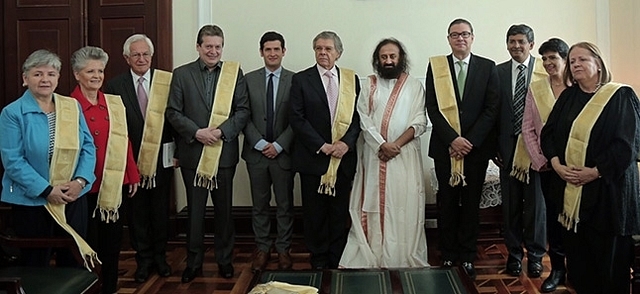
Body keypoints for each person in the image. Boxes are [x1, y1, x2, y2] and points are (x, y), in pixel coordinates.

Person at [541, 41, 640, 294]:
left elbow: (627, 146)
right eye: (572, 61)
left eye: (582, 59)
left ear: (598, 63)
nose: (575, 65)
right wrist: (556, 164)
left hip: (608, 196)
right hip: (573, 198)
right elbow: (549, 134)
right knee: (580, 268)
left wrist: (595, 172)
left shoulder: (620, 96)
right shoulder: (569, 97)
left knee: (608, 270)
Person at [166, 24, 249, 283]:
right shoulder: (181, 74)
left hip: (223, 155)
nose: (213, 51)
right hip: (193, 153)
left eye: (218, 46)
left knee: (224, 212)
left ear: (222, 47)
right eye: (208, 46)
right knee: (195, 213)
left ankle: (225, 261)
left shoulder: (234, 73)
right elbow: (172, 112)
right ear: (198, 47)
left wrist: (221, 132)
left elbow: (243, 110)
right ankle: (194, 262)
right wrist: (197, 132)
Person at [0, 49, 96, 268]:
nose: (45, 79)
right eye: (38, 74)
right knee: (36, 265)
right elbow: (13, 161)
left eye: (51, 74)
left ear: (58, 78)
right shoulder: (12, 113)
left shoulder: (71, 107)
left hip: (72, 197)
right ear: (25, 79)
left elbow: (88, 147)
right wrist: (47, 190)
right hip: (33, 202)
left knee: (73, 262)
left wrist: (80, 182)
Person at [339, 38, 429, 268]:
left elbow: (419, 120)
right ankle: (375, 253)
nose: (388, 61)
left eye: (393, 56)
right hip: (374, 154)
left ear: (401, 58)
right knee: (374, 204)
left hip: (404, 156)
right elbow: (364, 119)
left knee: (402, 204)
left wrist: (395, 145)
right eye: (384, 57)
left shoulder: (414, 86)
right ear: (377, 60)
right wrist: (382, 145)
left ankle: (401, 254)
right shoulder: (368, 84)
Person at [425, 18, 500, 280]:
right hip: (445, 149)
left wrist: (469, 141)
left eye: (465, 34)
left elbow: (492, 109)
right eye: (455, 35)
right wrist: (452, 140)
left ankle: (467, 255)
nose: (460, 38)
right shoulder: (437, 66)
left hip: (476, 150)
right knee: (447, 203)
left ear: (472, 37)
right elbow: (432, 107)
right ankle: (447, 252)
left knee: (470, 205)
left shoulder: (488, 67)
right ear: (448, 38)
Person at [103, 34, 175, 283]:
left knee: (160, 212)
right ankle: (143, 260)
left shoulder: (166, 82)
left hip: (162, 160)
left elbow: (175, 118)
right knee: (137, 214)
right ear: (126, 58)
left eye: (145, 54)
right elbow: (114, 126)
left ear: (151, 56)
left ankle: (161, 258)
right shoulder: (114, 86)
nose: (141, 58)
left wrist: (175, 153)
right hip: (130, 162)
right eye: (136, 54)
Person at [70, 46, 140, 294]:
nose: (97, 76)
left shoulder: (112, 102)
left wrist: (131, 174)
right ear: (77, 74)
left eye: (100, 70)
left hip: (113, 184)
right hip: (83, 187)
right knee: (87, 243)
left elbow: (125, 140)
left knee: (112, 243)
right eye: (90, 71)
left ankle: (108, 288)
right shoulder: (68, 106)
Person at [289, 31, 361, 269]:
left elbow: (358, 119)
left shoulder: (352, 80)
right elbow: (297, 119)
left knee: (339, 212)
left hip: (343, 158)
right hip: (313, 158)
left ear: (338, 53)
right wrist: (322, 146)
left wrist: (345, 144)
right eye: (319, 48)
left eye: (328, 49)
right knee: (315, 213)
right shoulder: (301, 79)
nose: (323, 53)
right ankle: (318, 257)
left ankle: (338, 256)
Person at [495, 24, 547, 278]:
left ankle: (536, 256)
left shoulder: (544, 71)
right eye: (512, 41)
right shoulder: (498, 72)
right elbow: (493, 113)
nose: (516, 46)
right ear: (507, 44)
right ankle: (514, 255)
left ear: (531, 45)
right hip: (508, 150)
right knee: (511, 207)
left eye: (521, 42)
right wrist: (496, 148)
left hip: (536, 151)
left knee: (537, 208)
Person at [242, 31, 295, 271]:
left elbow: (298, 119)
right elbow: (242, 114)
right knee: (259, 205)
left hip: (284, 154)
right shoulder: (247, 79)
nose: (272, 53)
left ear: (284, 51)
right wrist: (262, 144)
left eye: (277, 49)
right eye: (267, 49)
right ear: (261, 52)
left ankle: (284, 250)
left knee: (285, 205)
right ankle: (262, 248)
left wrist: (279, 145)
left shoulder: (296, 80)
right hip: (256, 155)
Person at [521, 37, 569, 292]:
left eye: (554, 57)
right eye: (545, 58)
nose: (549, 62)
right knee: (554, 219)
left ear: (566, 59)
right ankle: (558, 269)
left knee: (577, 219)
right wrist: (541, 160)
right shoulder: (536, 88)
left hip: (577, 167)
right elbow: (528, 128)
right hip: (549, 167)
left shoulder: (578, 87)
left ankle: (580, 268)